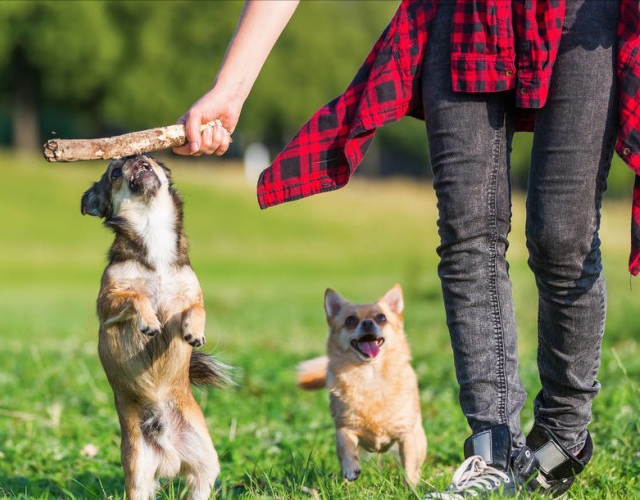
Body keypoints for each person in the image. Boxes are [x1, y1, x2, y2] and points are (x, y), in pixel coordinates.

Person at [175, 1, 640, 497]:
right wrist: (231, 86)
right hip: (466, 17)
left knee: (561, 237)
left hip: (586, 16)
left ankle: (564, 435)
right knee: (468, 236)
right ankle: (493, 453)